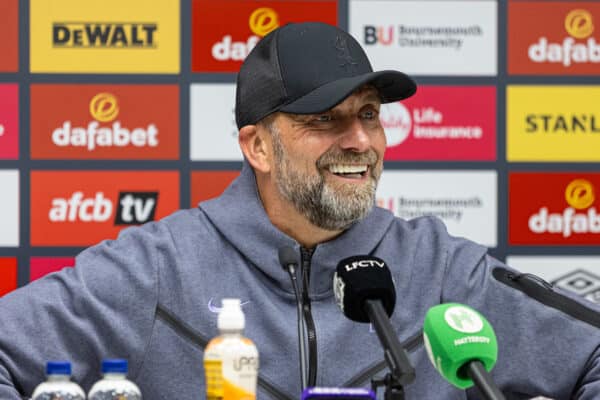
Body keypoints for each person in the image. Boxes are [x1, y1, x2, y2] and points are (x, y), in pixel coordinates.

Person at [1, 21, 600, 400]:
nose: (359, 141)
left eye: (368, 115)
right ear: (258, 147)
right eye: (324, 120)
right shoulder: (157, 266)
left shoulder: (443, 269)